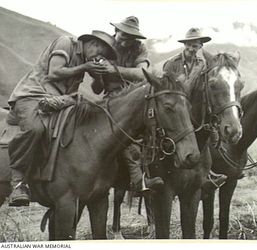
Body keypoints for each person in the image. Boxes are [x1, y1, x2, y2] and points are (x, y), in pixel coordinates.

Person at [7, 30, 118, 206]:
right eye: (100, 52)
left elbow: (97, 90)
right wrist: (85, 68)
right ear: (93, 44)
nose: (99, 56)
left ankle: (60, 181)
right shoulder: (66, 43)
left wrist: (99, 76)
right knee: (35, 129)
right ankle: (18, 182)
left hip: (61, 102)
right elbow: (54, 72)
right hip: (33, 95)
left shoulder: (87, 60)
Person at [91, 16, 164, 192]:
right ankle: (136, 177)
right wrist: (98, 73)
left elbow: (142, 73)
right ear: (116, 31)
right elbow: (96, 89)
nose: (126, 41)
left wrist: (114, 70)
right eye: (124, 35)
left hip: (136, 98)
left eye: (131, 37)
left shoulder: (140, 48)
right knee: (119, 129)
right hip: (111, 99)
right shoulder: (104, 47)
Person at [163, 27, 227, 189]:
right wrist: (195, 74)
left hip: (195, 109)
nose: (192, 49)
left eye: (196, 46)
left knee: (210, 130)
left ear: (200, 47)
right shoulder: (172, 64)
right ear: (185, 45)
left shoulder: (203, 64)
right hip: (176, 109)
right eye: (190, 45)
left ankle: (207, 172)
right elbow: (174, 92)